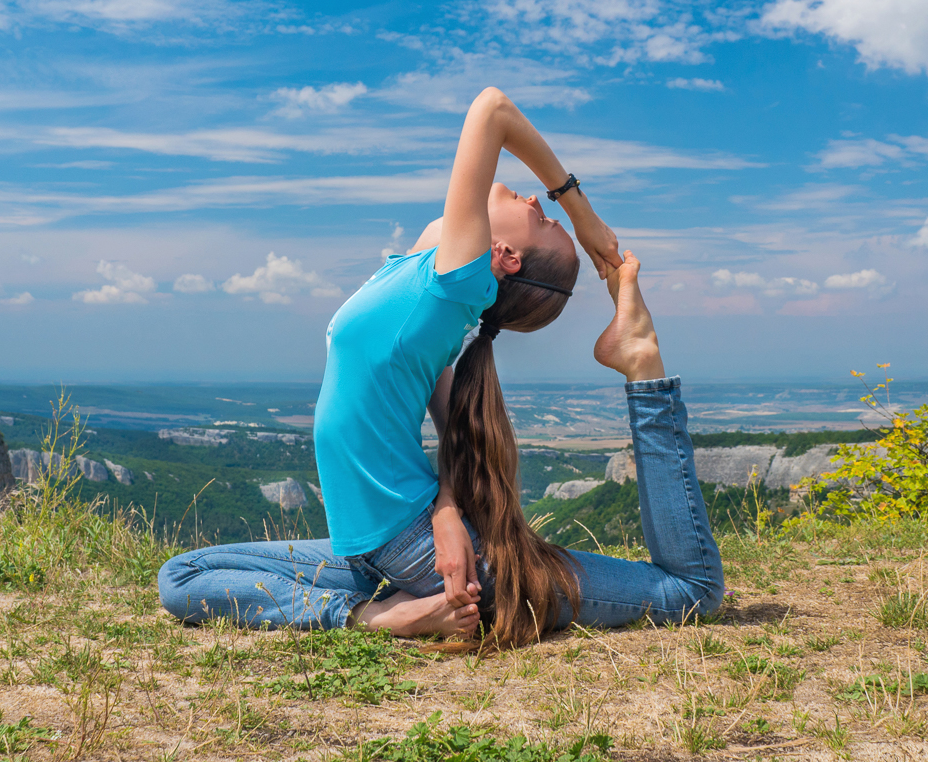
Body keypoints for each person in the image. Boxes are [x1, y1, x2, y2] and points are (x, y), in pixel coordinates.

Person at [158, 88, 725, 642]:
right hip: (384, 547)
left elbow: (492, 108)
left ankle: (641, 360)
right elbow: (456, 422)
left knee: (690, 590)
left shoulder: (454, 282)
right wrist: (447, 509)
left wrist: (580, 215)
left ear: (501, 257)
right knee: (183, 575)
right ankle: (372, 612)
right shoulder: (425, 284)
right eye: (547, 213)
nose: (537, 202)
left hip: (418, 554)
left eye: (543, 222)